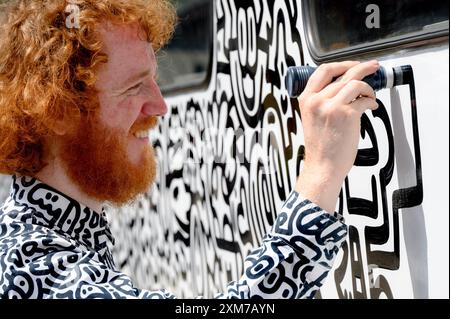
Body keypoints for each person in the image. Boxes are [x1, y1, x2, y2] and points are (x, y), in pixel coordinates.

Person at [0, 0, 379, 299]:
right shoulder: (35, 266)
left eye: (154, 79)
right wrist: (321, 174)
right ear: (58, 111)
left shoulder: (55, 229)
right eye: (134, 88)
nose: (159, 106)